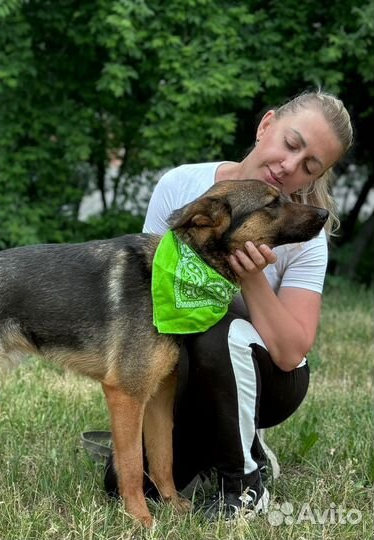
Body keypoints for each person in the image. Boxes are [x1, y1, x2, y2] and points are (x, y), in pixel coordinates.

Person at [103, 89, 353, 520]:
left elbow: (292, 352)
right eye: (291, 145)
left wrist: (251, 276)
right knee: (121, 483)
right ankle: (219, 441)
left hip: (271, 381)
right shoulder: (182, 186)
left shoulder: (304, 234)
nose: (289, 166)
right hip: (184, 372)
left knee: (215, 316)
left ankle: (246, 482)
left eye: (309, 166)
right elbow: (147, 300)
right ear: (266, 126)